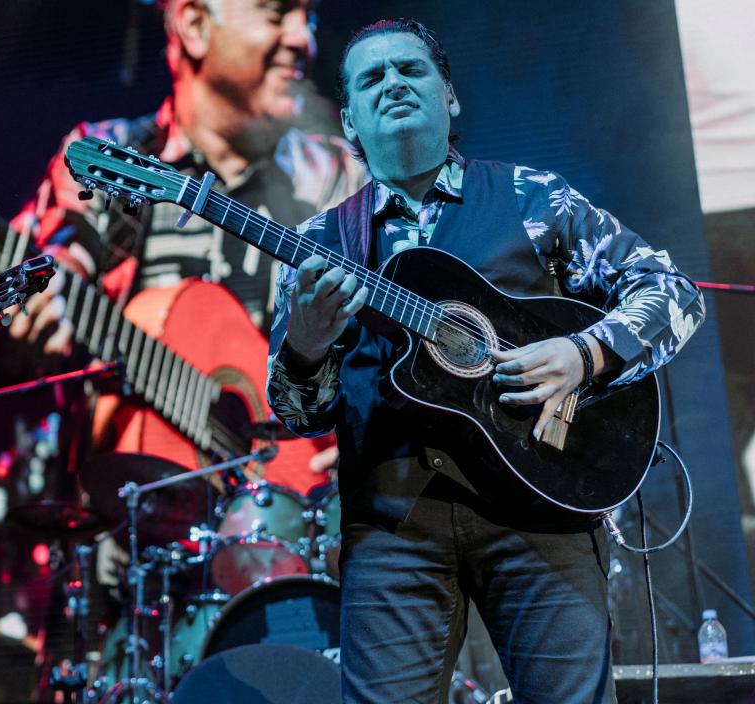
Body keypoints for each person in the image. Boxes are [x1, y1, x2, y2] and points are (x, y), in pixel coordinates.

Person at [266, 19, 704, 703]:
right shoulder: (318, 243)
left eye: (411, 69)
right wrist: (306, 345)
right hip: (392, 528)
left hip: (543, 498)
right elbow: (297, 414)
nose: (393, 84)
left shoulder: (533, 197)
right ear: (348, 121)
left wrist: (584, 352)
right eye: (371, 78)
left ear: (450, 96)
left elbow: (671, 291)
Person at [6, 0, 365, 490]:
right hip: (125, 511)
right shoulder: (107, 157)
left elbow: (395, 346)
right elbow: (56, 259)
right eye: (277, 13)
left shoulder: (341, 179)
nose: (305, 39)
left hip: (298, 512)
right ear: (195, 25)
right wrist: (44, 294)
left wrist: (372, 427)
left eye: (311, 18)